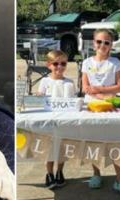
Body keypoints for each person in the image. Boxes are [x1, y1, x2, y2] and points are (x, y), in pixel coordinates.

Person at [82, 28, 120, 196]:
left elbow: (119, 86)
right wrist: (98, 93)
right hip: (92, 106)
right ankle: (96, 174)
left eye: (106, 43)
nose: (102, 45)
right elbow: (85, 87)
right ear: (93, 43)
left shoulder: (115, 62)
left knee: (114, 140)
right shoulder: (87, 63)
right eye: (99, 42)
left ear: (111, 45)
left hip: (110, 105)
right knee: (94, 140)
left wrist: (100, 89)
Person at [37, 50, 75, 189]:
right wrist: (39, 97)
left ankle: (60, 171)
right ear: (49, 65)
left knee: (62, 149)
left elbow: (72, 101)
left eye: (63, 64)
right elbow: (40, 99)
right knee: (49, 148)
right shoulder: (44, 81)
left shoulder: (69, 82)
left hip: (64, 120)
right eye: (56, 64)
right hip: (49, 120)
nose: (59, 67)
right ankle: (49, 173)